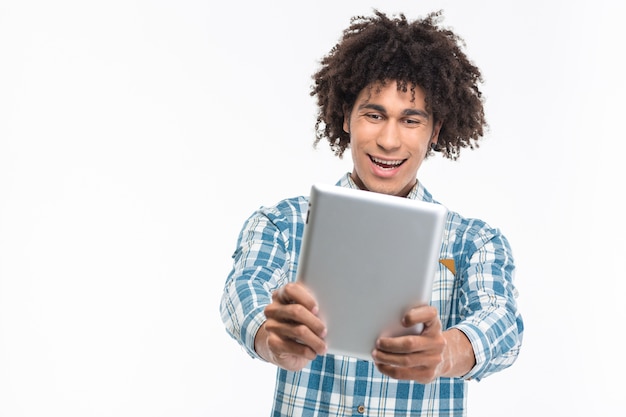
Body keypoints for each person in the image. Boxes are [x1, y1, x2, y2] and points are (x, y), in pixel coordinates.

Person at [220, 9, 523, 416]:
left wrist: (446, 352)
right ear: (347, 116)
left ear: (434, 132)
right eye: (374, 114)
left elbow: (502, 323)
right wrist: (271, 336)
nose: (388, 140)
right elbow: (243, 293)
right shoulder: (283, 224)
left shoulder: (474, 243)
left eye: (410, 120)